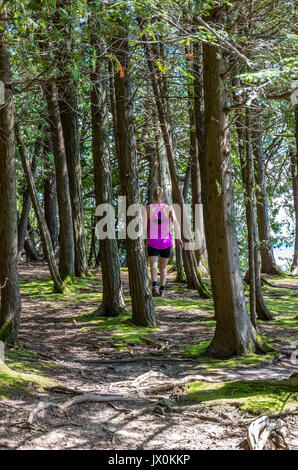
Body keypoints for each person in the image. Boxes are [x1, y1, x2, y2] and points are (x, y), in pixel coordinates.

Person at [143, 186, 183, 298]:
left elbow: (143, 226)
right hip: (166, 242)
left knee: (153, 265)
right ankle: (162, 290)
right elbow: (175, 223)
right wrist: (179, 237)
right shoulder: (169, 208)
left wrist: (141, 239)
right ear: (163, 196)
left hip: (152, 241)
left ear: (153, 196)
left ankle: (155, 286)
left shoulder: (148, 208)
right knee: (163, 267)